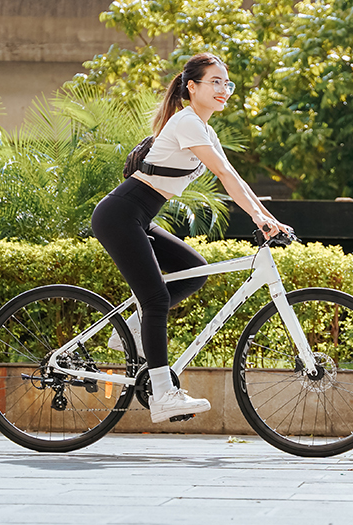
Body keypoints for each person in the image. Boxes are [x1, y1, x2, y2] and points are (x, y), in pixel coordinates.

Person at [91, 52, 291, 423]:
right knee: (155, 299)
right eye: (215, 82)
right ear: (192, 87)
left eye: (226, 83)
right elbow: (225, 175)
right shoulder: (186, 122)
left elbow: (233, 175)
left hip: (139, 217)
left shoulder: (204, 129)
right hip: (120, 215)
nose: (223, 90)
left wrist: (267, 217)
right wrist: (261, 218)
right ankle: (163, 395)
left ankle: (128, 330)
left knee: (195, 271)